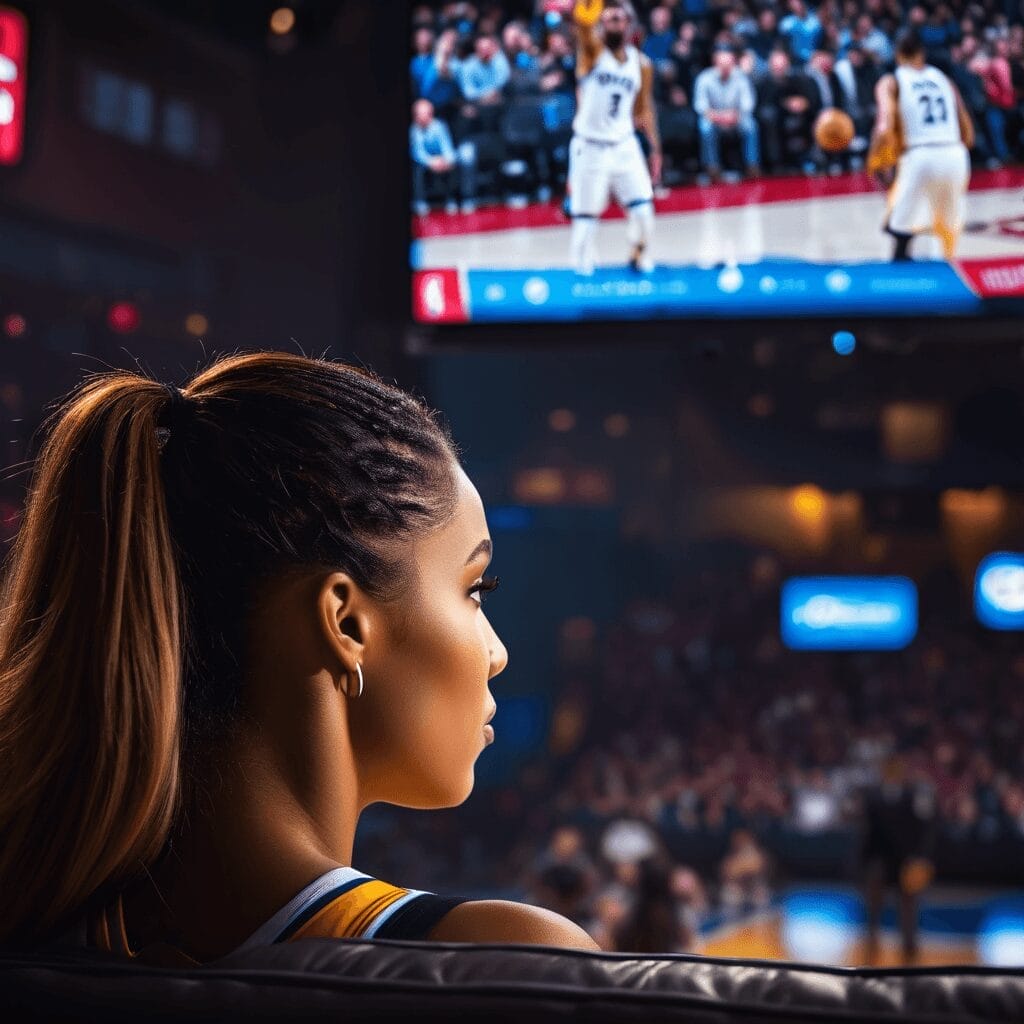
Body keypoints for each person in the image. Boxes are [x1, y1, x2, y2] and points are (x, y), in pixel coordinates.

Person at [0, 352, 600, 961]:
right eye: (475, 589)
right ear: (344, 622)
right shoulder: (509, 959)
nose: (497, 652)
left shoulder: (42, 935)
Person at [568, 0, 662, 276]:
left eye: (618, 19)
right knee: (585, 220)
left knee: (644, 210)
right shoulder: (591, 53)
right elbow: (584, 26)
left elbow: (644, 109)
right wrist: (591, 9)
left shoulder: (642, 64)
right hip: (590, 146)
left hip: (625, 145)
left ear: (628, 24)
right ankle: (581, 272)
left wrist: (655, 149)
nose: (612, 23)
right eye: (607, 19)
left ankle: (638, 258)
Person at [868, 27, 974, 262]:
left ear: (896, 53)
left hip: (920, 156)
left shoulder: (891, 81)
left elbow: (884, 125)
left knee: (901, 232)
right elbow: (966, 126)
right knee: (944, 235)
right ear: (922, 53)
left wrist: (878, 161)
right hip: (955, 154)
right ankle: (947, 288)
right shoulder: (943, 79)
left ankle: (898, 287)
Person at [693, 45, 761, 181]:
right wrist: (718, 116)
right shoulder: (704, 78)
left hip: (736, 117)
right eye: (721, 64)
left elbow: (748, 104)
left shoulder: (741, 77)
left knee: (751, 125)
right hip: (714, 118)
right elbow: (700, 106)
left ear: (733, 64)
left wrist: (735, 115)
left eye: (728, 65)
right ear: (715, 63)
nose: (725, 68)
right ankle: (712, 167)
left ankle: (752, 165)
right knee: (704, 127)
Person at [410, 99, 478, 216]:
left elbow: (447, 147)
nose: (423, 117)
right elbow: (417, 152)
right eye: (420, 114)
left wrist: (447, 160)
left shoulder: (439, 126)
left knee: (453, 164)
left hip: (440, 160)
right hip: (424, 161)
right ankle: (420, 201)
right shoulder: (413, 130)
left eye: (427, 113)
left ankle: (452, 199)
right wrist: (430, 162)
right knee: (416, 168)